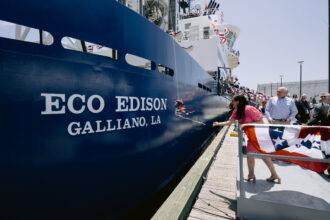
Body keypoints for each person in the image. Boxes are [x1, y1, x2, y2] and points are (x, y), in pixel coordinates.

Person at [213, 94, 281, 183]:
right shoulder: (237, 111)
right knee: (259, 156)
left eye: (233, 101)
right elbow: (230, 122)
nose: (232, 103)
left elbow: (260, 122)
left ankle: (253, 175)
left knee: (255, 155)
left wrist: (246, 126)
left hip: (259, 135)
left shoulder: (249, 109)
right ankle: (271, 175)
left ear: (238, 101)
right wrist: (218, 124)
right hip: (253, 135)